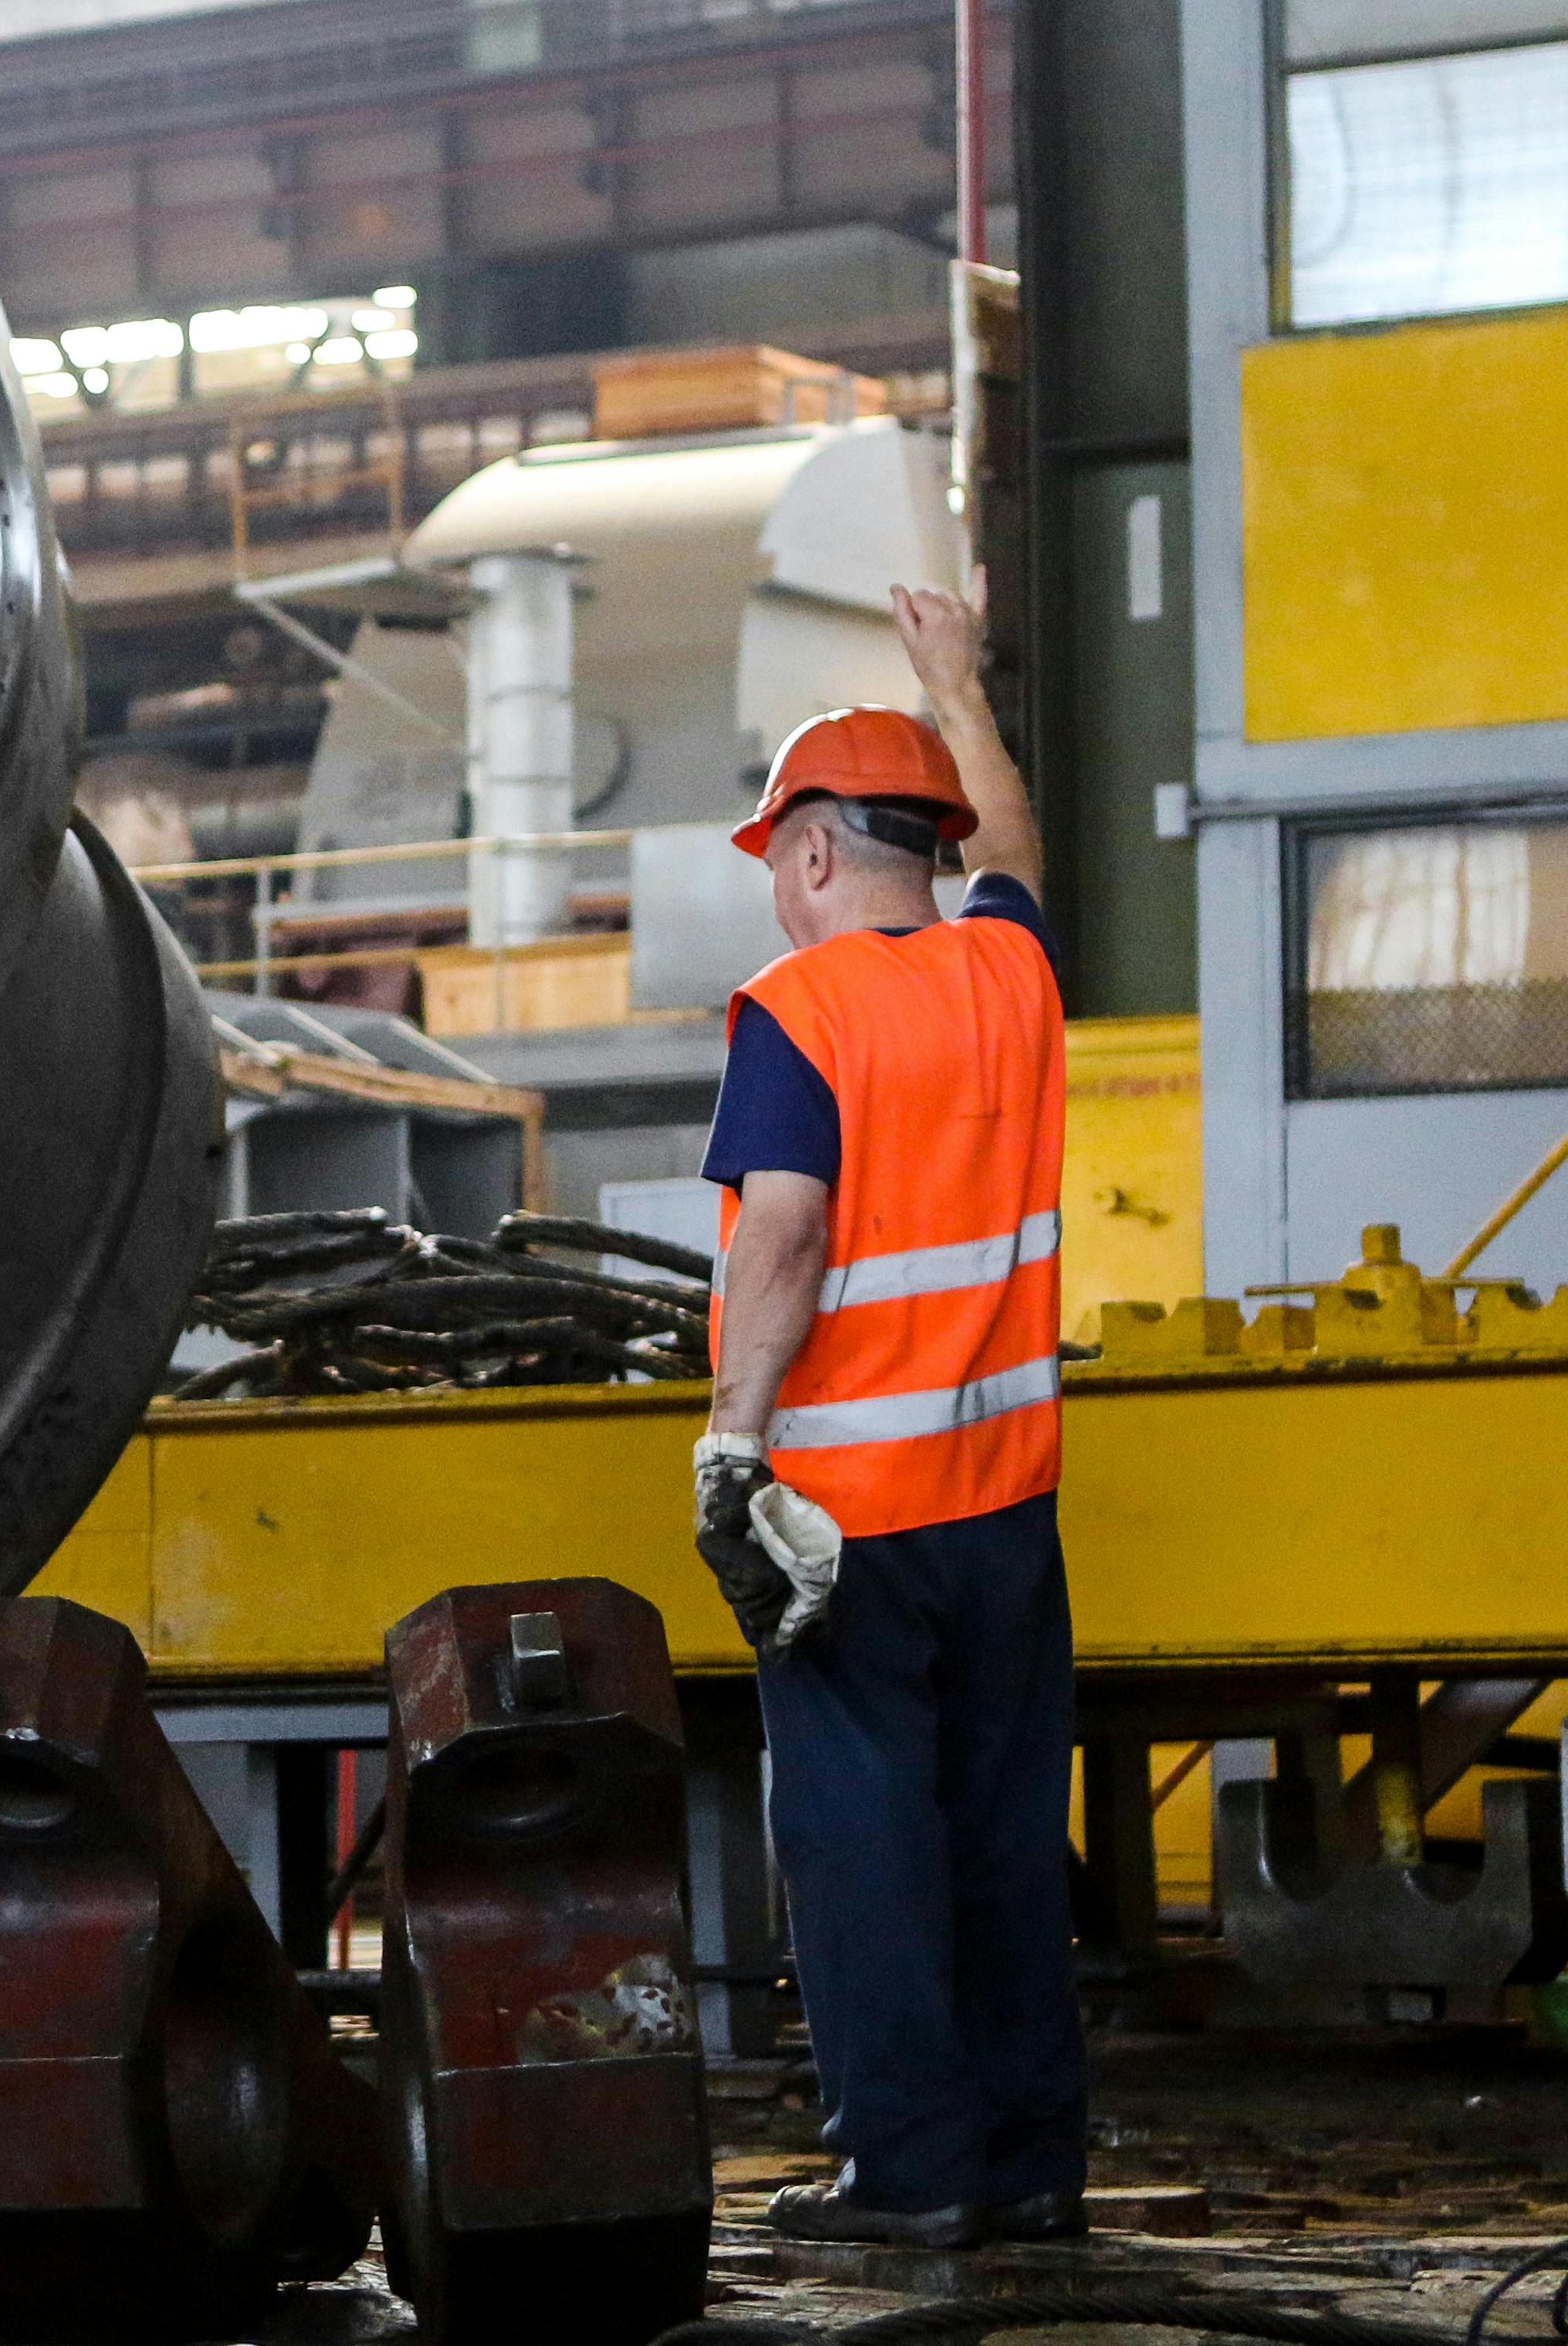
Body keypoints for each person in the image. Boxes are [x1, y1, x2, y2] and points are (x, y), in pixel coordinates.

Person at [690, 582, 1083, 2251]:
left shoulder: (803, 1014)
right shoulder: (1015, 976)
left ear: (816, 857)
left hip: (847, 1522)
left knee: (861, 1853)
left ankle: (908, 2176)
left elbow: (782, 1233)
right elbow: (1025, 855)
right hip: (1007, 1504)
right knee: (1003, 1842)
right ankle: (1029, 2173)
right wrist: (957, 682)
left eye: (779, 862)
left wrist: (733, 1441)